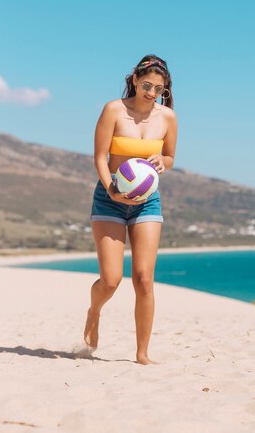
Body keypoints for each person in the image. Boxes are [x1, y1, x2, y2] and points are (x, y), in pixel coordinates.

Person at [83, 54, 178, 365]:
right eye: (147, 84)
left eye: (159, 89)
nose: (151, 92)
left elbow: (170, 158)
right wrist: (111, 188)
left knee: (144, 279)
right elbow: (99, 156)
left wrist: (161, 162)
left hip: (147, 201)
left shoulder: (168, 118)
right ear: (135, 80)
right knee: (111, 280)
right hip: (109, 197)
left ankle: (142, 354)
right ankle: (94, 310)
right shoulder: (114, 110)